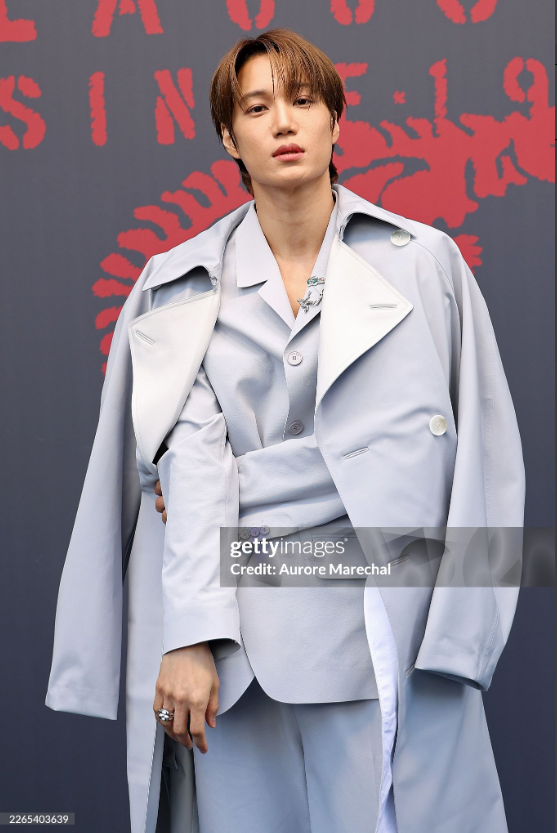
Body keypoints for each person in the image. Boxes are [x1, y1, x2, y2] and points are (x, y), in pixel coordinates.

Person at [46, 28, 525, 833]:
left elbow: (486, 464)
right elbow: (173, 471)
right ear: (228, 137)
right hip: (232, 654)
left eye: (302, 100)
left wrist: (461, 634)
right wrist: (188, 635)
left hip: (386, 636)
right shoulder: (175, 287)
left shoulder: (427, 264)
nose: (283, 122)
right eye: (256, 107)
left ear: (336, 118)